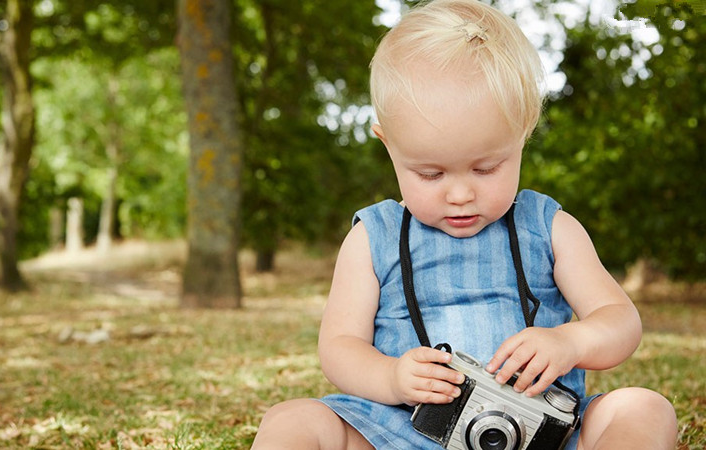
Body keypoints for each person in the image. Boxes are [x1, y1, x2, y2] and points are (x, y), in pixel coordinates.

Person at [251, 0, 678, 448]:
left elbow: (620, 320)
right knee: (293, 419)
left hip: (541, 432)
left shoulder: (549, 228)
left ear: (523, 132)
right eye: (430, 174)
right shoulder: (373, 238)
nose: (459, 194)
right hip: (402, 431)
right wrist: (392, 377)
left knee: (644, 409)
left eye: (485, 168)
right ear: (388, 144)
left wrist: (570, 342)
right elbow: (339, 347)